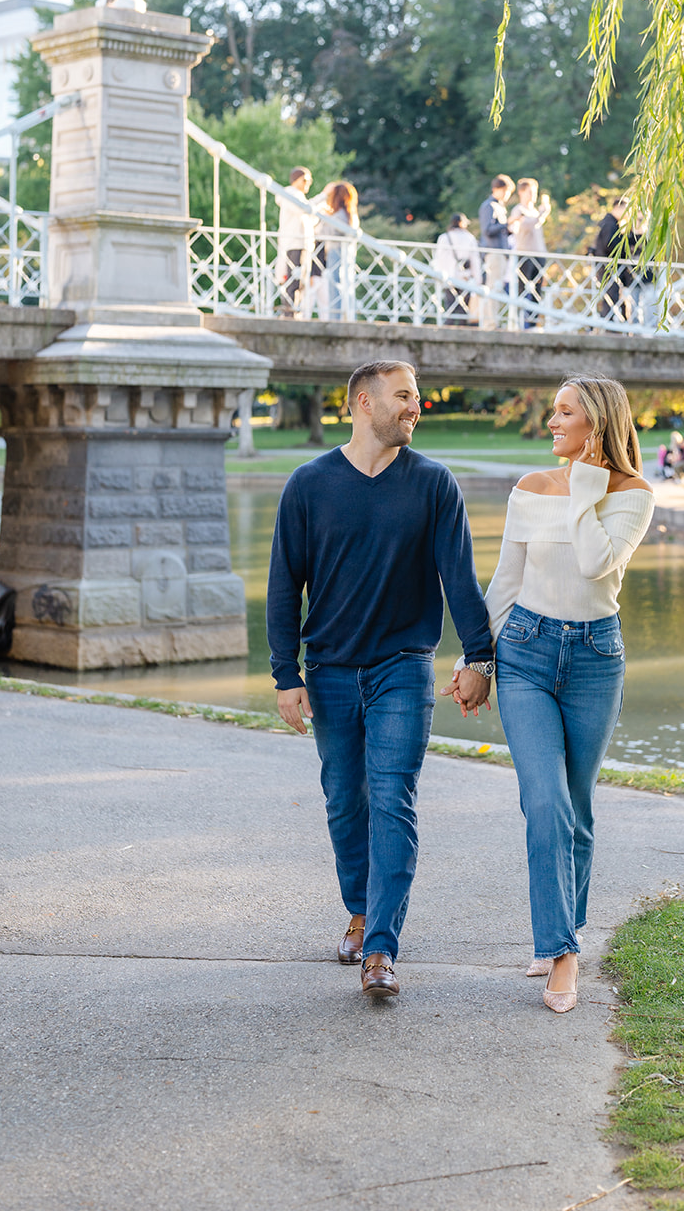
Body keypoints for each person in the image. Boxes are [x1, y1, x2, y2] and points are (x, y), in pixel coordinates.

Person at [267, 359, 495, 1000]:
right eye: (403, 397)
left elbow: (460, 578)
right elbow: (284, 585)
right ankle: (362, 910)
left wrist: (481, 658)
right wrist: (288, 674)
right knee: (345, 800)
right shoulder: (309, 485)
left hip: (403, 667)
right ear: (364, 403)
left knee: (393, 798)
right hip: (332, 670)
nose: (415, 407)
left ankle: (380, 949)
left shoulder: (434, 485)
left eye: (417, 397)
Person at [474, 376, 654, 1014]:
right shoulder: (528, 489)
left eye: (565, 412)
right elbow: (507, 578)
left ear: (597, 424)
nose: (551, 420)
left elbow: (594, 564)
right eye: (553, 410)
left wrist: (585, 484)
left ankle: (559, 930)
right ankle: (563, 951)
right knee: (545, 801)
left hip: (594, 660)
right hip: (524, 651)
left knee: (576, 805)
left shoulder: (634, 495)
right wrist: (481, 660)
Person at [591, 201, 654, 323]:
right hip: (614, 269)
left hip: (638, 275)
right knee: (613, 297)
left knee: (620, 298)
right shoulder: (611, 224)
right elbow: (610, 244)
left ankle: (616, 324)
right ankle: (612, 325)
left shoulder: (612, 224)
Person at [508, 177, 552, 327]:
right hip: (525, 255)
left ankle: (533, 323)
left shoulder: (534, 211)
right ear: (521, 192)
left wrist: (541, 214)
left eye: (535, 192)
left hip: (539, 255)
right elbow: (525, 226)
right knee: (524, 290)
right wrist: (542, 214)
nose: (533, 195)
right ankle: (523, 323)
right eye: (530, 192)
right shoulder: (518, 210)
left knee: (537, 291)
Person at [276, 166, 315, 317]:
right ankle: (290, 313)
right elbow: (304, 209)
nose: (308, 183)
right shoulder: (291, 196)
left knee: (298, 281)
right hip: (295, 243)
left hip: (298, 243)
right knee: (294, 280)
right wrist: (323, 197)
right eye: (306, 180)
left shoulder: (295, 196)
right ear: (297, 180)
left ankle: (292, 312)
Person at [478, 174, 515, 329]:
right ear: (497, 189)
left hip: (501, 252)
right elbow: (487, 230)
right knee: (493, 287)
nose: (507, 196)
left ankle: (493, 321)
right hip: (493, 252)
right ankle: (490, 323)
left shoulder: (499, 207)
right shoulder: (489, 206)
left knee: (497, 288)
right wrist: (507, 224)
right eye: (505, 191)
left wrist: (509, 229)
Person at [320, 180, 359, 321]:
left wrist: (323, 217)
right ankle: (346, 316)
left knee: (334, 285)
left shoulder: (339, 216)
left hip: (336, 251)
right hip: (345, 253)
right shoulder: (349, 215)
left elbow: (323, 232)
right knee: (345, 285)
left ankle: (335, 317)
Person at [433, 212, 480, 324]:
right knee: (464, 308)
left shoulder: (444, 238)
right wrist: (478, 279)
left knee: (450, 306)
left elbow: (439, 259)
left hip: (449, 277)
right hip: (465, 277)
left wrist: (439, 276)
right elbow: (475, 259)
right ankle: (462, 329)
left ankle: (447, 329)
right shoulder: (469, 238)